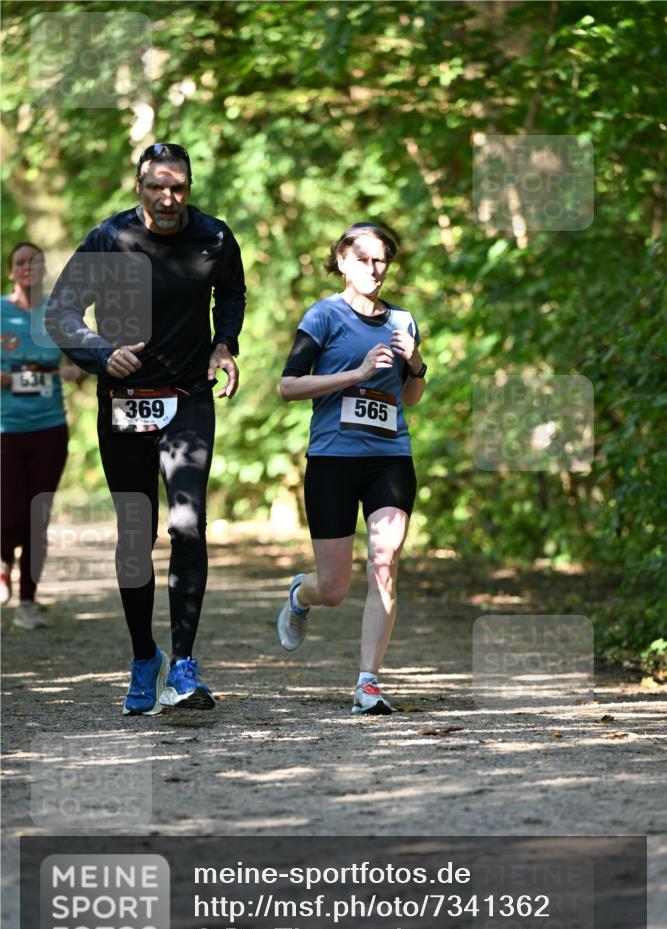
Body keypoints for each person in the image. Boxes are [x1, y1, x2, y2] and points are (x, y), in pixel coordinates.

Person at [45, 142, 245, 715]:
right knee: (136, 534)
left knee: (188, 524)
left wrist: (224, 343)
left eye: (178, 187)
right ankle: (143, 658)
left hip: (187, 400)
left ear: (189, 187)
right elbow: (60, 312)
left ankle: (183, 665)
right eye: (157, 186)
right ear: (139, 186)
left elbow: (231, 291)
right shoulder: (109, 239)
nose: (168, 197)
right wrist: (100, 354)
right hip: (125, 402)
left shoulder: (213, 237)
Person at [277, 222, 426, 714]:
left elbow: (409, 398)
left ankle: (368, 682)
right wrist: (357, 374)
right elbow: (289, 387)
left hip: (389, 458)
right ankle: (303, 593)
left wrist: (417, 365)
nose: (375, 268)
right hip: (332, 460)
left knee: (385, 560)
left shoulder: (403, 321)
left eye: (382, 259)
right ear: (342, 261)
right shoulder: (323, 316)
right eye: (363, 259)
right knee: (335, 589)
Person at [1, 242, 83, 629]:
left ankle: (27, 602)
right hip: (6, 430)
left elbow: (83, 358)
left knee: (38, 517)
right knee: (11, 516)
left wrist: (75, 371)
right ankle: (3, 560)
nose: (28, 268)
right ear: (11, 271)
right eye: (20, 263)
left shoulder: (57, 313)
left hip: (50, 428)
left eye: (35, 262)